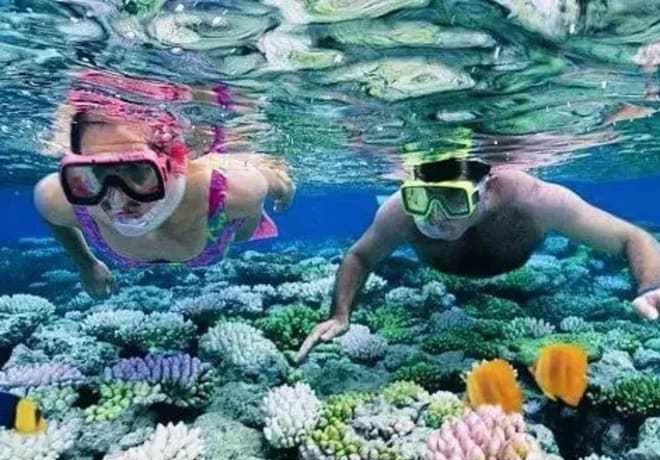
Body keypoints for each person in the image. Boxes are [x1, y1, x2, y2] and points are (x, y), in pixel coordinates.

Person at [297, 157, 660, 362]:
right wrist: (339, 314)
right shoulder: (400, 212)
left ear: (486, 187)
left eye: (455, 200)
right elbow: (360, 255)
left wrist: (652, 285)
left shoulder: (534, 200)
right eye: (423, 199)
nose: (437, 216)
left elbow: (633, 237)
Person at [34, 71, 295, 298]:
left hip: (220, 224)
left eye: (135, 169)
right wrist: (86, 264)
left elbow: (276, 183)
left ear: (174, 163)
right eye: (95, 172)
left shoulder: (236, 191)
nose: (118, 199)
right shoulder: (59, 197)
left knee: (243, 230)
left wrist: (283, 189)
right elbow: (54, 220)